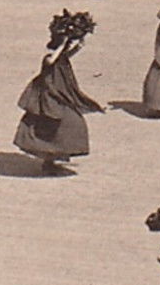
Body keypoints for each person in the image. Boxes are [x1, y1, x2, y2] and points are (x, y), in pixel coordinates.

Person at [14, 11, 103, 174]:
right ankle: (49, 161)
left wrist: (78, 44)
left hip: (60, 95)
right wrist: (63, 43)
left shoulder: (61, 57)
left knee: (63, 125)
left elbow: (66, 56)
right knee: (56, 125)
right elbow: (52, 61)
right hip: (50, 98)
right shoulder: (49, 57)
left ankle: (51, 160)